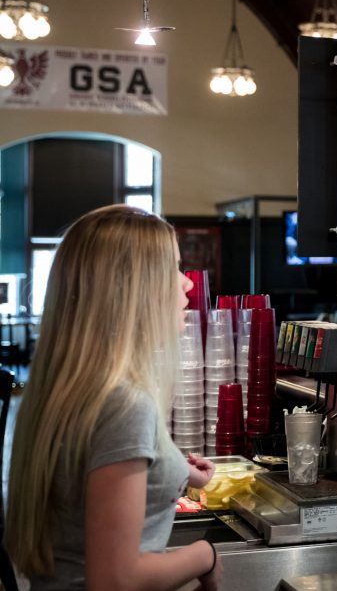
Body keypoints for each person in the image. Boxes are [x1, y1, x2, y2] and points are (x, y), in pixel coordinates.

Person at [5, 205, 224, 590]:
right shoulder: (124, 405)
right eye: (172, 268)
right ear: (134, 289)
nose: (187, 284)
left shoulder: (71, 387)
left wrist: (178, 471)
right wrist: (206, 555)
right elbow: (116, 580)